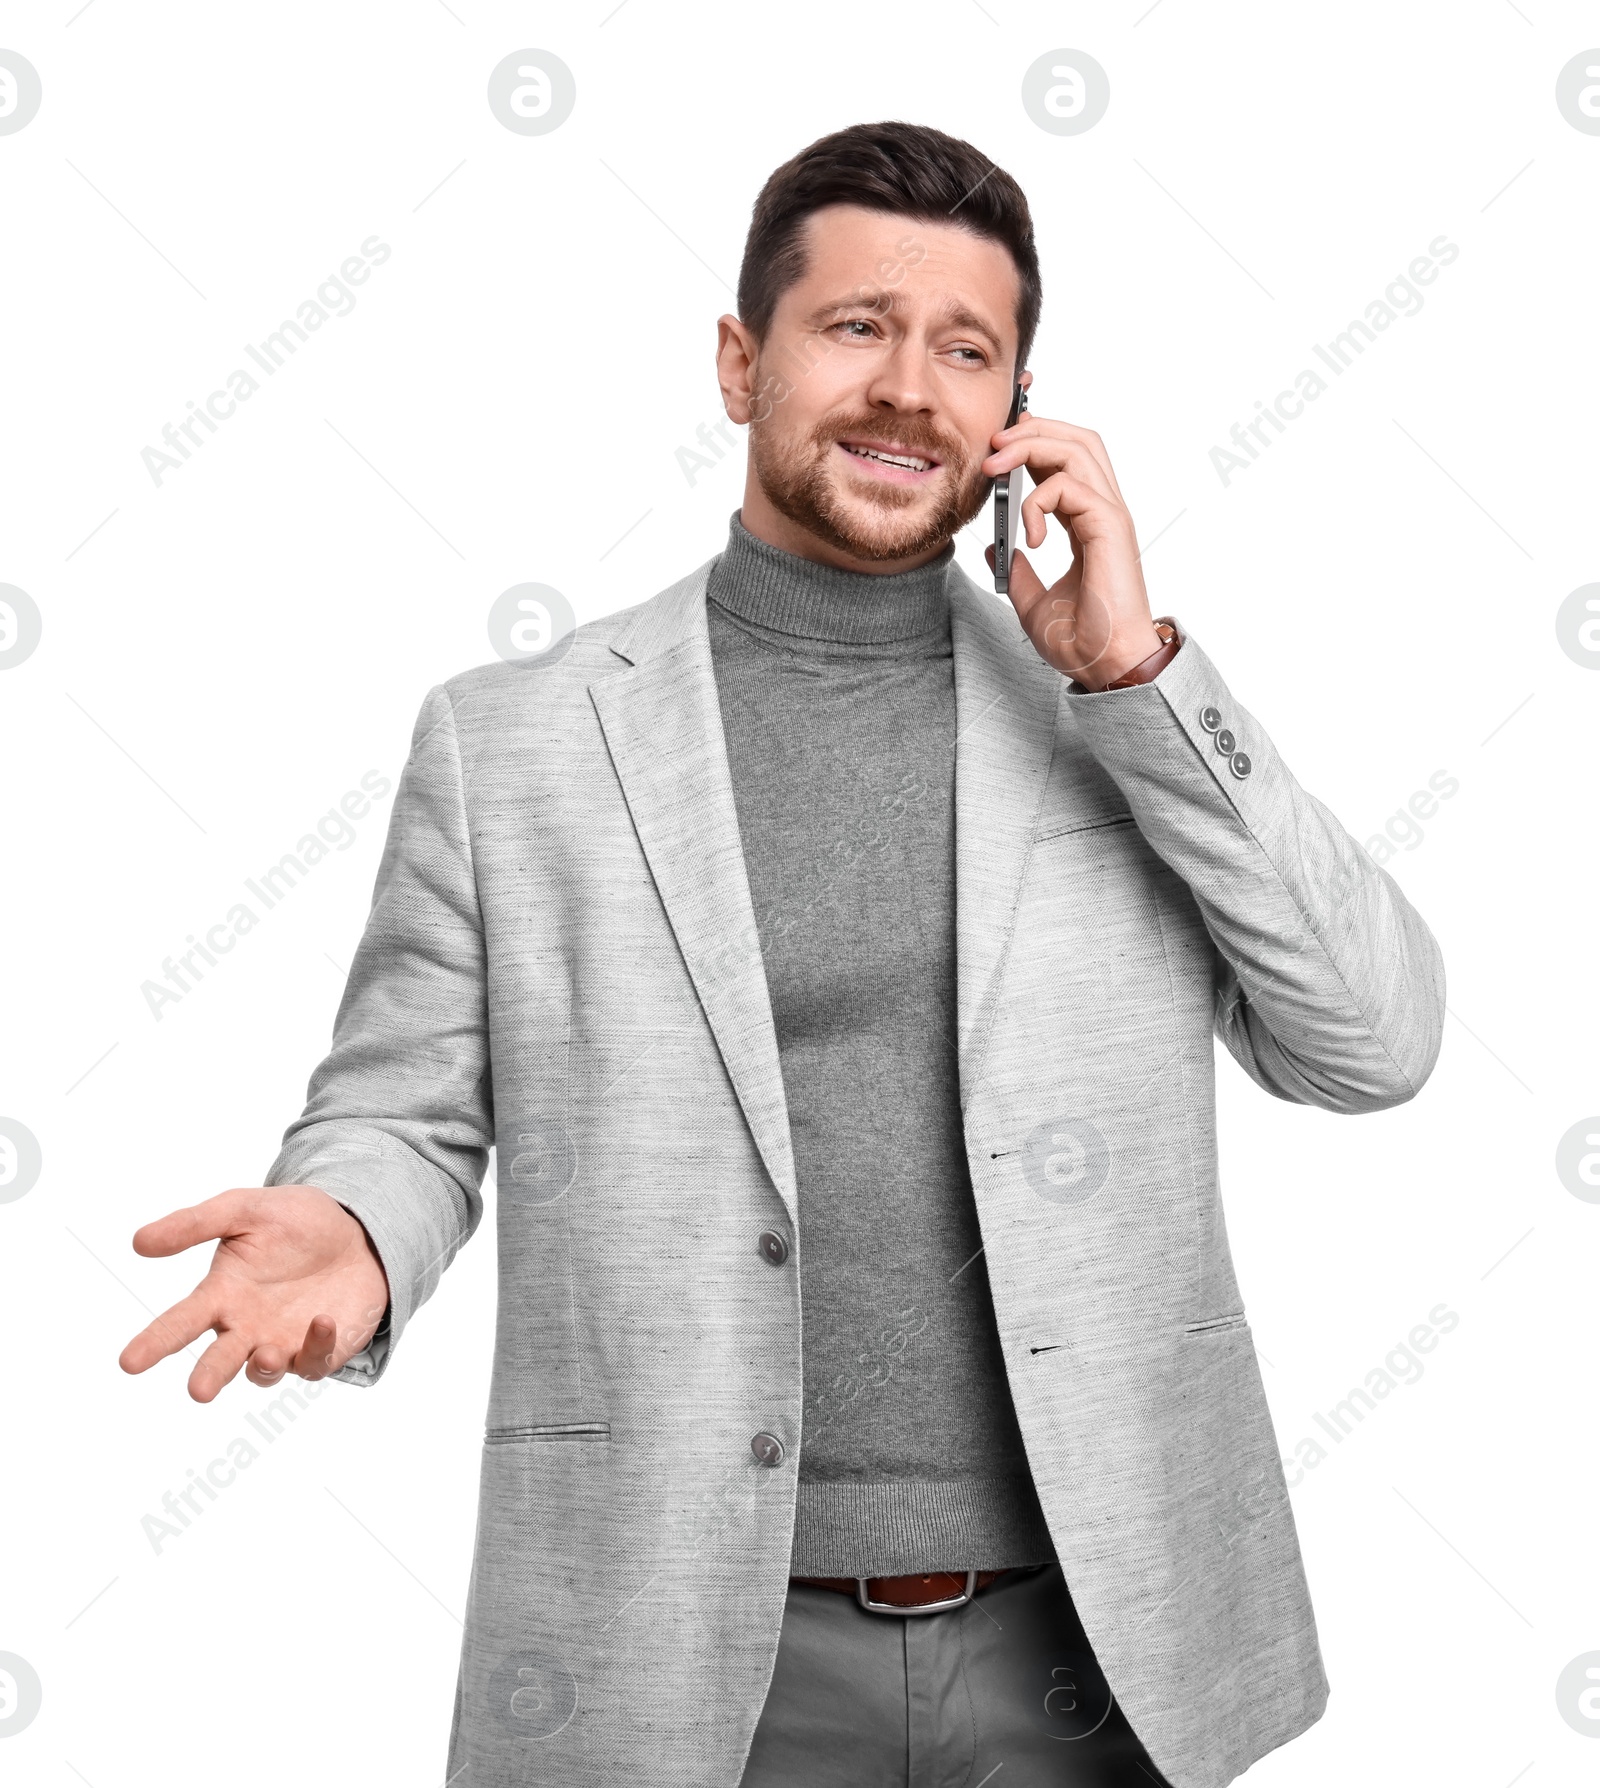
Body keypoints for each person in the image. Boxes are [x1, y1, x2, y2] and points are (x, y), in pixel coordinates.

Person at [119, 120, 1445, 1787]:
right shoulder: (514, 743)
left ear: (1016, 415)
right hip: (681, 1653)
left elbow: (1374, 1040)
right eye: (855, 328)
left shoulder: (1121, 718)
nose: (910, 386)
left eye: (968, 351)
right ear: (743, 363)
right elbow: (406, 1111)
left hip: (1098, 1648)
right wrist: (354, 1224)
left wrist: (1141, 673)